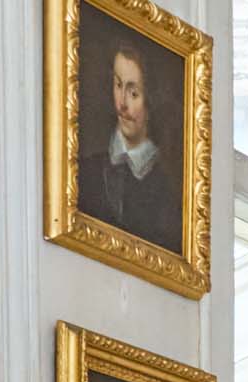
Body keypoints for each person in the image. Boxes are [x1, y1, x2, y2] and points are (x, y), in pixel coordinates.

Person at [75, 40, 181, 252]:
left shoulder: (165, 192)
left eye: (133, 94)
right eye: (118, 85)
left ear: (151, 100)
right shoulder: (87, 168)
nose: (122, 104)